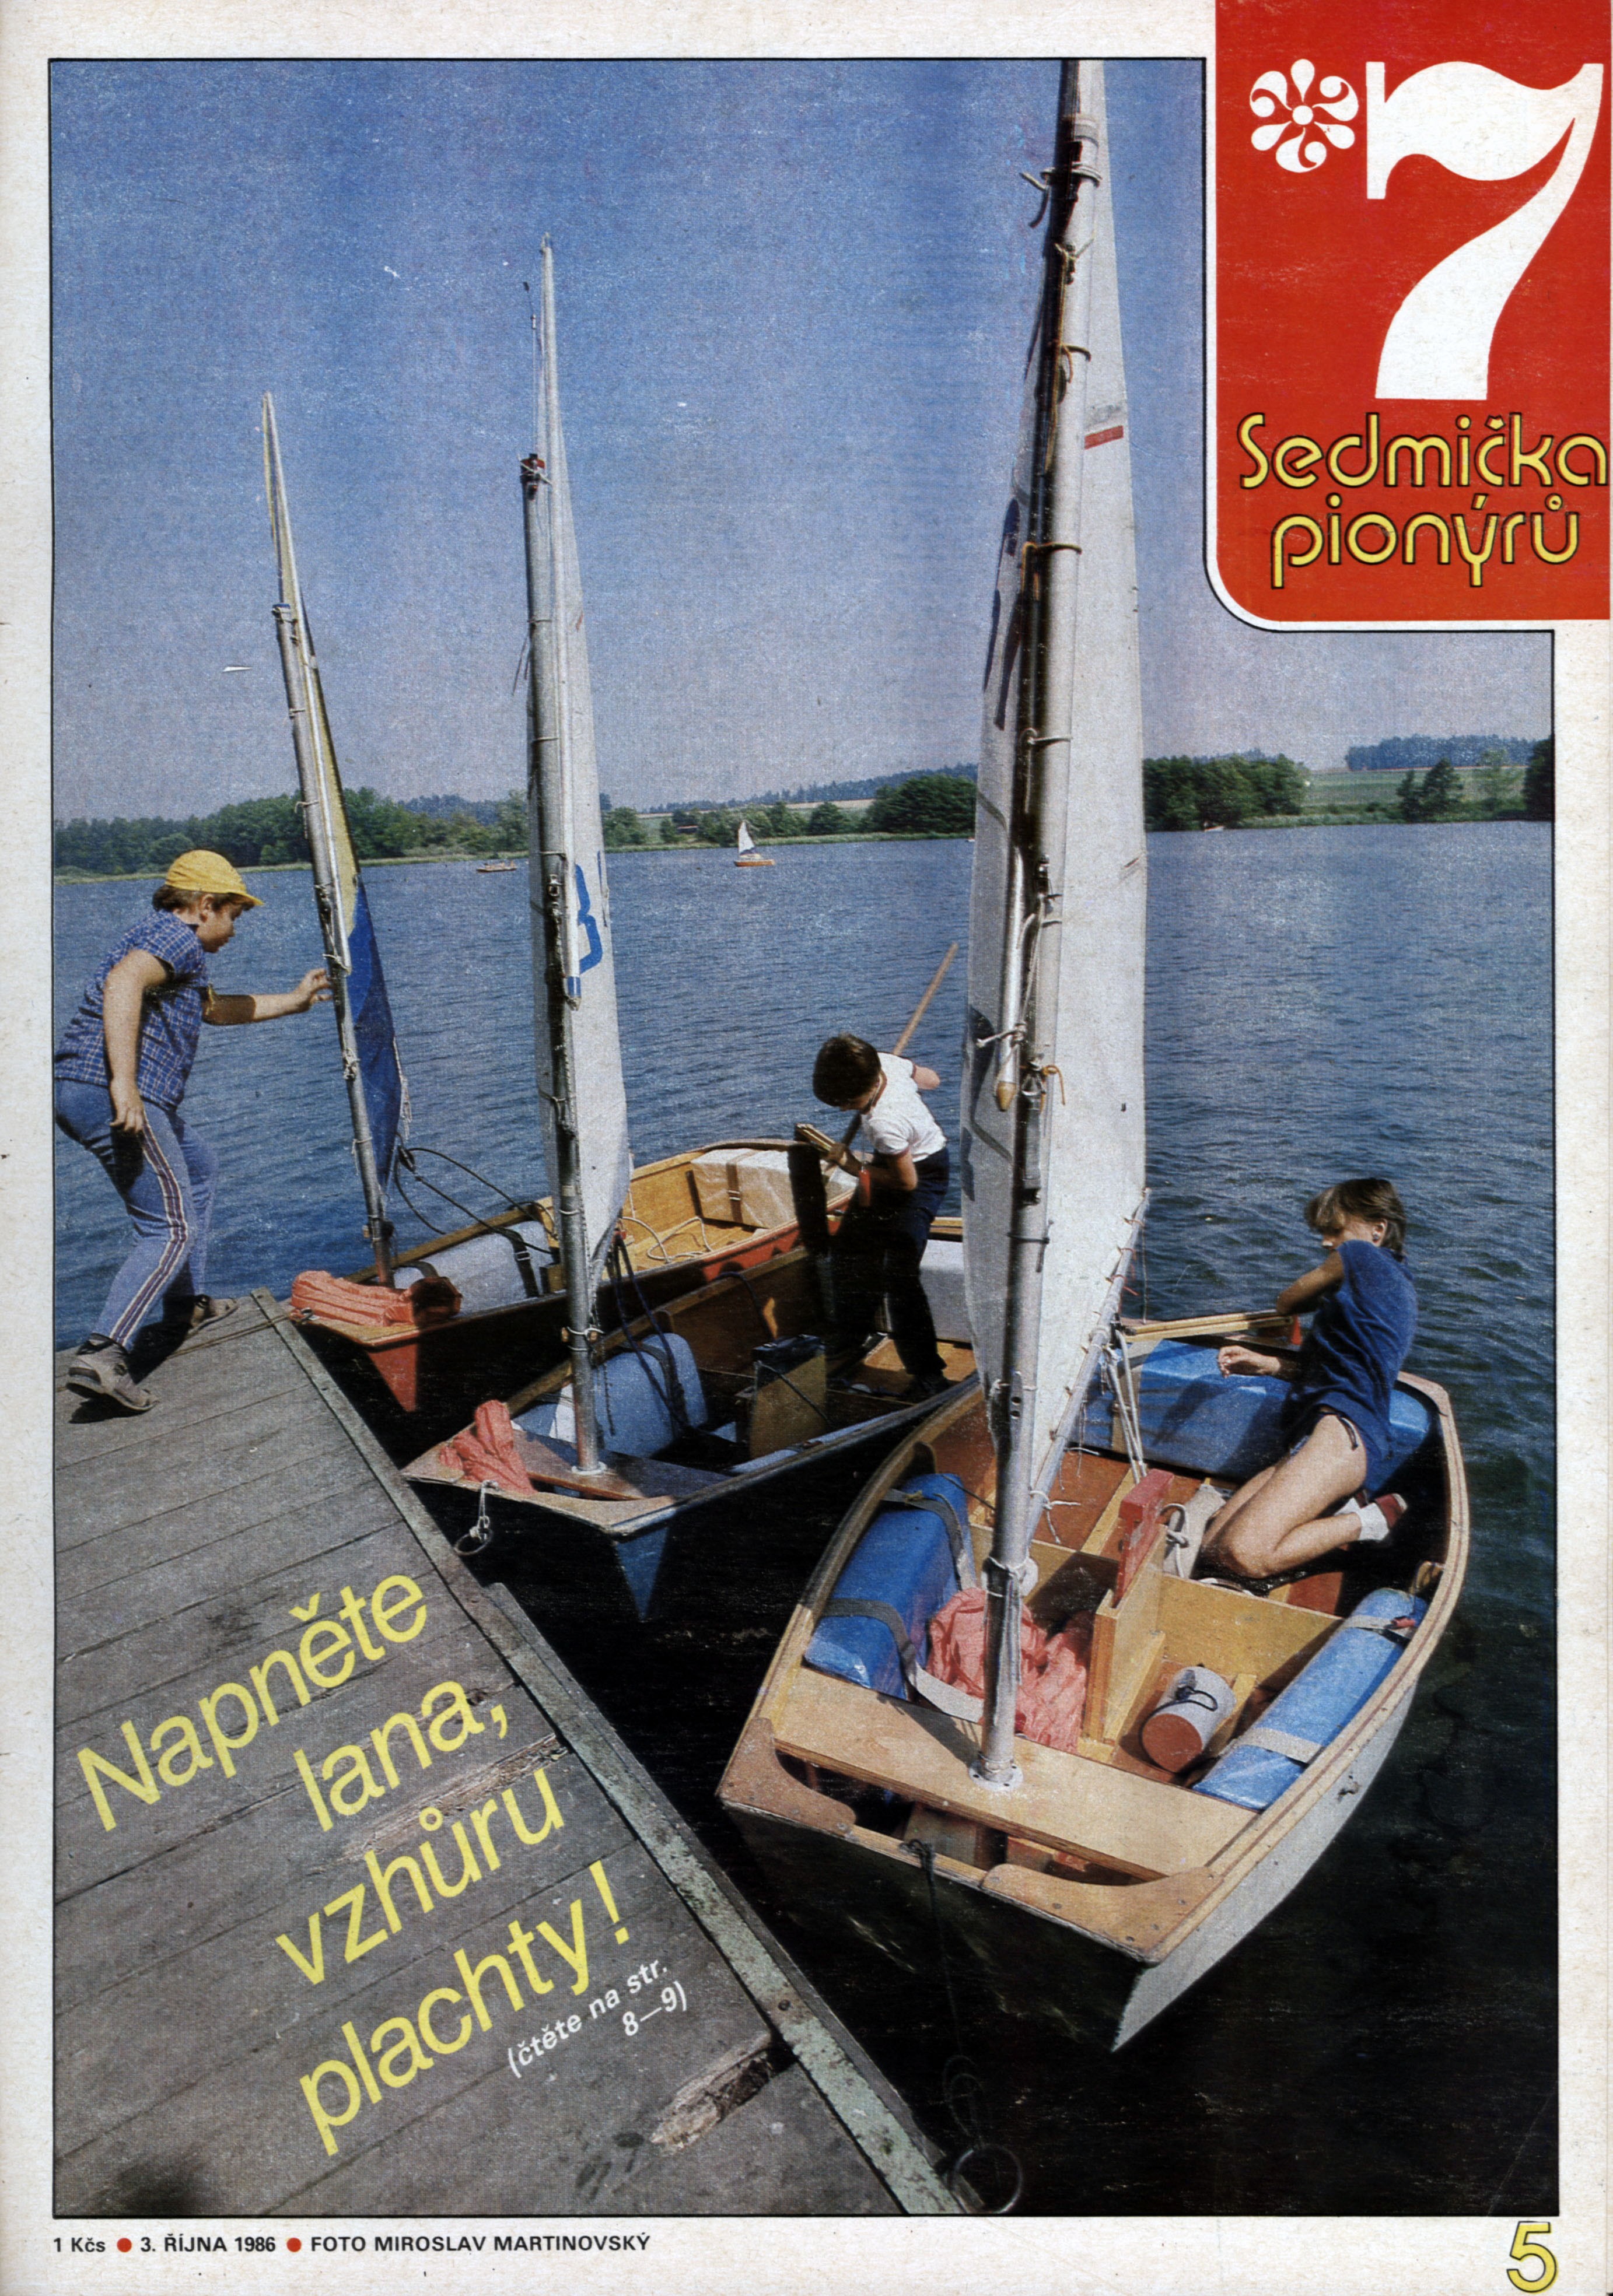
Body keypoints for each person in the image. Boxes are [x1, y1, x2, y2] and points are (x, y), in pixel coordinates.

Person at [55, 850, 330, 1412]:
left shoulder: (170, 946)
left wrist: (295, 1001)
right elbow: (123, 983)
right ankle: (104, 1353)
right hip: (108, 1088)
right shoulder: (174, 937)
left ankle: (186, 1306)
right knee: (170, 1226)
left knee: (198, 1166)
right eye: (234, 915)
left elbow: (216, 1009)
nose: (235, 930)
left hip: (86, 1087)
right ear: (205, 906)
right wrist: (125, 1084)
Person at [1198, 1177, 1417, 1586]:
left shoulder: (1361, 1256)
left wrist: (1324, 1284)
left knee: (1244, 1553)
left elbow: (1287, 1301)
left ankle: (1370, 1520)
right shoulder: (1383, 1288)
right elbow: (1338, 1368)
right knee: (1212, 1548)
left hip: (1344, 1431)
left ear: (1378, 1230)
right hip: (1318, 1432)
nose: (1326, 1242)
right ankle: (1336, 1510)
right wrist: (1269, 1365)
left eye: (1335, 1230)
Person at [812, 1032, 949, 1397]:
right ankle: (852, 1334)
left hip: (921, 1177)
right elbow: (933, 1080)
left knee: (899, 1275)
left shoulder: (882, 1123)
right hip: (895, 1160)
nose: (844, 1111)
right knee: (849, 1246)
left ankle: (929, 1375)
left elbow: (906, 1183)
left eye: (847, 1103)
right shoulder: (886, 1063)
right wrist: (904, 1074)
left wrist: (853, 1165)